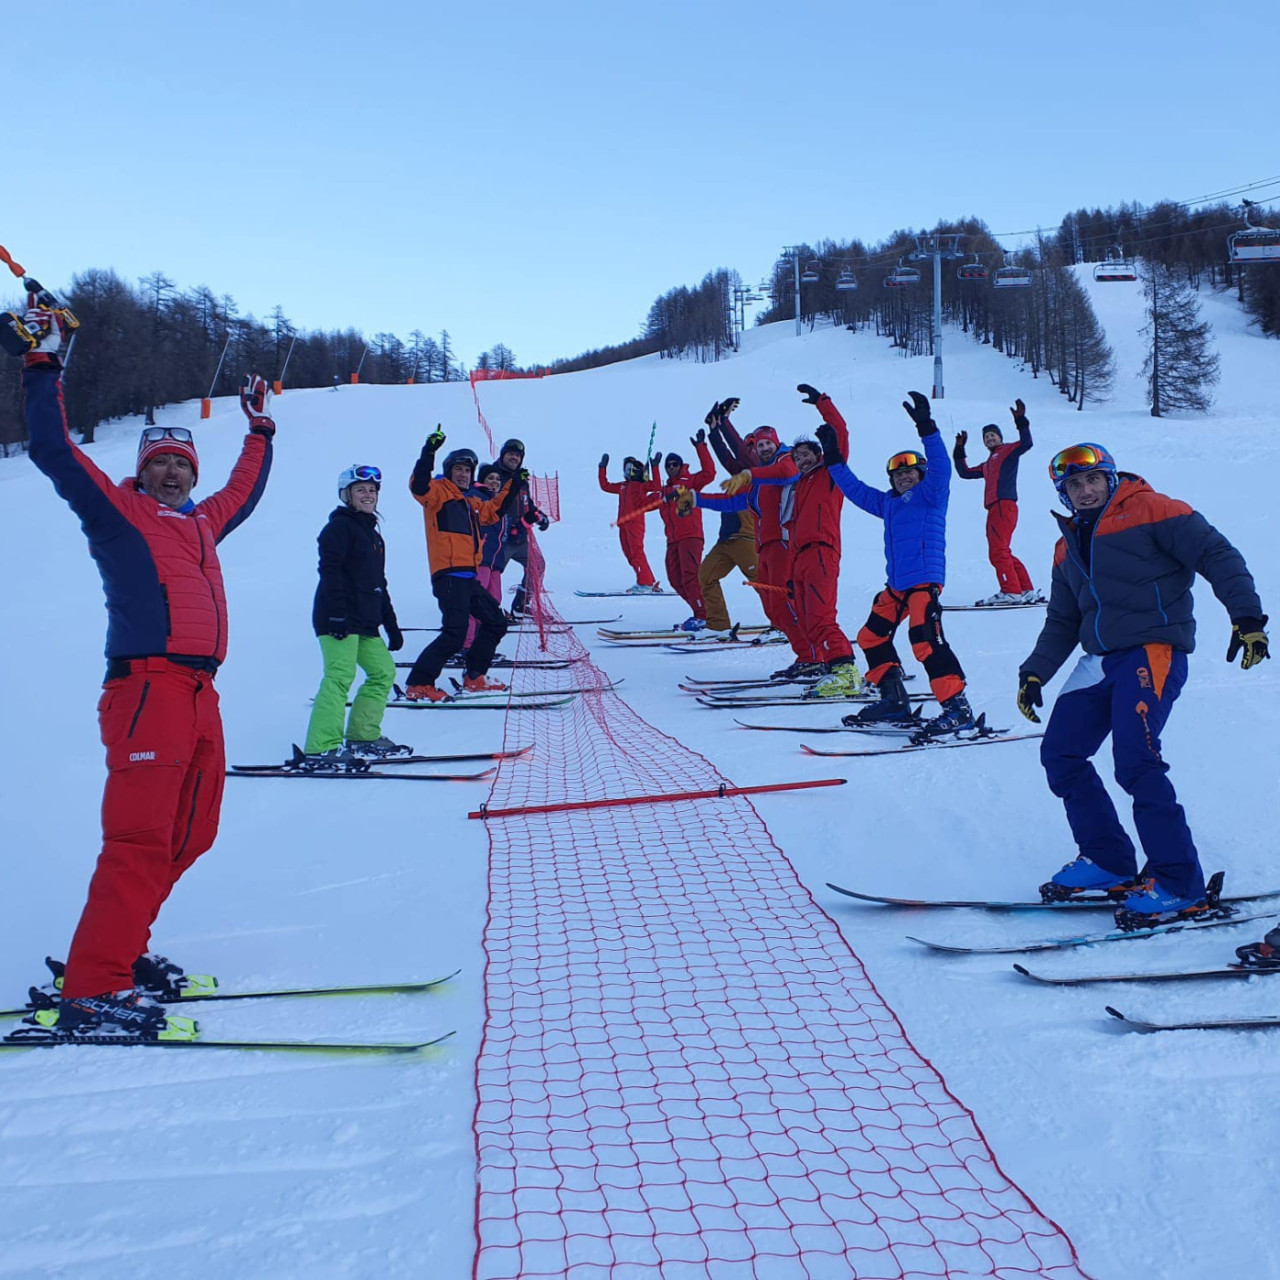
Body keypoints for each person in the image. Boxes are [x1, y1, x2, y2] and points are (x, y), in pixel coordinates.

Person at [11, 306, 273, 1043]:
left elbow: (244, 492)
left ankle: (118, 952)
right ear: (141, 470)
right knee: (137, 839)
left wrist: (261, 430)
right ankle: (94, 987)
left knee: (192, 834)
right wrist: (43, 364)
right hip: (146, 690)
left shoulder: (202, 523)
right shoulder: (118, 514)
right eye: (159, 460)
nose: (170, 470)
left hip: (200, 694)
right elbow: (54, 449)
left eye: (182, 464)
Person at [1017, 443, 1268, 929]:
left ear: (1111, 478)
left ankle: (1178, 884)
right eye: (1073, 484)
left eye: (1093, 480)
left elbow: (1217, 553)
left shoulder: (1153, 509)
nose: (1085, 490)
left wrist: (1247, 618)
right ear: (1063, 492)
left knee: (1136, 761)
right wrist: (1035, 672)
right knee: (1062, 754)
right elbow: (1063, 618)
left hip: (1151, 651)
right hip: (1098, 660)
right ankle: (1108, 859)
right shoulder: (1066, 542)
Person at [821, 391, 972, 733]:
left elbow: (942, 466)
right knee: (870, 637)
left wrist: (926, 427)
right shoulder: (889, 504)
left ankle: (957, 708)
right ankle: (894, 701)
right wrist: (832, 458)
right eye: (897, 474)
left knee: (925, 642)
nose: (904, 476)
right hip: (896, 587)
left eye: (911, 471)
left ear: (921, 474)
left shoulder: (931, 496)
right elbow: (856, 489)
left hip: (923, 584)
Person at [751, 384, 861, 696]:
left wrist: (823, 403)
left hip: (822, 553)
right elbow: (794, 531)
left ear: (818, 455)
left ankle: (846, 671)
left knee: (822, 617)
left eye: (805, 454)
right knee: (808, 619)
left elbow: (840, 433)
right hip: (800, 559)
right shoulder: (799, 488)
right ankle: (825, 663)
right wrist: (789, 575)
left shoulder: (830, 474)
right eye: (797, 456)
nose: (800, 460)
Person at [403, 429, 522, 701]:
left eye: (468, 471)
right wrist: (428, 452)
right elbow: (418, 485)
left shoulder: (470, 502)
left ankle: (474, 677)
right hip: (448, 575)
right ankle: (419, 683)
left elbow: (493, 512)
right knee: (455, 633)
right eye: (458, 469)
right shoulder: (437, 494)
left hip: (468, 577)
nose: (463, 475)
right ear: (448, 471)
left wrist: (513, 482)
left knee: (495, 622)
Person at [302, 464, 408, 764]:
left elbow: (378, 582)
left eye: (372, 490)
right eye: (360, 490)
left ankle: (362, 734)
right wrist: (336, 613)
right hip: (338, 618)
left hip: (365, 619)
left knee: (383, 672)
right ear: (346, 495)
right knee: (339, 677)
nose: (368, 495)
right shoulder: (338, 528)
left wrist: (391, 623)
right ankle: (321, 746)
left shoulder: (373, 535)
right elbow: (330, 571)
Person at [694, 402, 812, 667]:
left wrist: (724, 424)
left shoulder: (785, 462)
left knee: (784, 601)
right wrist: (715, 430)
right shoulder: (758, 479)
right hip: (761, 545)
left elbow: (745, 463)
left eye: (765, 444)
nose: (760, 450)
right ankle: (804, 655)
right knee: (773, 604)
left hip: (779, 542)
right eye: (758, 446)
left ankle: (811, 654)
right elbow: (731, 483)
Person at [953, 399, 1038, 604]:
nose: (989, 438)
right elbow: (964, 473)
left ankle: (1011, 591)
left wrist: (1021, 421)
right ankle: (1025, 589)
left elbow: (1026, 443)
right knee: (1003, 550)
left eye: (992, 435)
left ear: (1000, 437)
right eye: (986, 437)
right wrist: (959, 450)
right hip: (996, 508)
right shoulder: (988, 463)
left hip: (1003, 505)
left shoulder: (1008, 450)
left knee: (997, 551)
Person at [693, 401, 759, 639]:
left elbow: (738, 449)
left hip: (746, 539)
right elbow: (727, 456)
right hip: (726, 540)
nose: (748, 453)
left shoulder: (758, 471)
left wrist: (724, 422)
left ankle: (784, 625)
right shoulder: (738, 474)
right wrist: (714, 429)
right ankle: (718, 625)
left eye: (753, 448)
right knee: (706, 575)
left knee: (763, 582)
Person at [653, 430, 716, 629]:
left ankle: (704, 615)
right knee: (674, 578)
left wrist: (701, 447)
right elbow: (645, 498)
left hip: (690, 536)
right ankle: (701, 611)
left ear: (681, 466)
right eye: (668, 466)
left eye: (675, 464)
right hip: (672, 539)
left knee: (690, 575)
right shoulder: (664, 491)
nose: (672, 468)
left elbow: (709, 473)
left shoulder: (690, 483)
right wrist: (653, 468)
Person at [492, 437, 549, 617]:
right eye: (510, 454)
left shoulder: (522, 479)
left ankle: (521, 605)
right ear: (503, 455)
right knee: (492, 575)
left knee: (537, 565)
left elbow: (527, 503)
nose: (514, 458)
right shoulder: (494, 476)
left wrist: (540, 516)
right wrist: (509, 527)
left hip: (520, 537)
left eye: (517, 455)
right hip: (500, 539)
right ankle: (487, 613)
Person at [598, 453, 661, 592]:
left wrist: (655, 467)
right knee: (629, 554)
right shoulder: (623, 486)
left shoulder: (640, 485)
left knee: (636, 552)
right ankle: (649, 580)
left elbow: (656, 486)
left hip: (635, 523)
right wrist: (602, 467)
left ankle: (645, 583)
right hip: (623, 524)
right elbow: (605, 486)